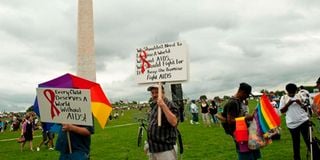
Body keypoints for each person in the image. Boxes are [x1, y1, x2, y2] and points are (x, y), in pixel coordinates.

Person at [223, 82, 261, 160]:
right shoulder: (233, 103)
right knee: (246, 156)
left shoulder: (239, 101)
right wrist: (246, 118)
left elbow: (240, 116)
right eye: (247, 94)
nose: (247, 97)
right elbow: (230, 120)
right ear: (242, 92)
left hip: (247, 133)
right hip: (240, 136)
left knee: (253, 156)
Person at [146, 84, 179, 160]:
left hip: (165, 149)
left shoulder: (170, 104)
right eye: (152, 93)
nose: (154, 95)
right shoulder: (155, 105)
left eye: (157, 92)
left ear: (163, 93)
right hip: (153, 148)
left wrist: (163, 105)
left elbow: (174, 122)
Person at [280, 83, 310, 160]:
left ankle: (316, 155)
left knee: (309, 140)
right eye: (290, 93)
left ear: (296, 90)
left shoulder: (300, 96)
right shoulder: (283, 98)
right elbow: (282, 111)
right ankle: (297, 158)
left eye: (294, 92)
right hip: (292, 124)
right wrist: (288, 104)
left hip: (303, 121)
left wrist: (300, 103)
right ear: (287, 91)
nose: (292, 94)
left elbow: (306, 109)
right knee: (296, 143)